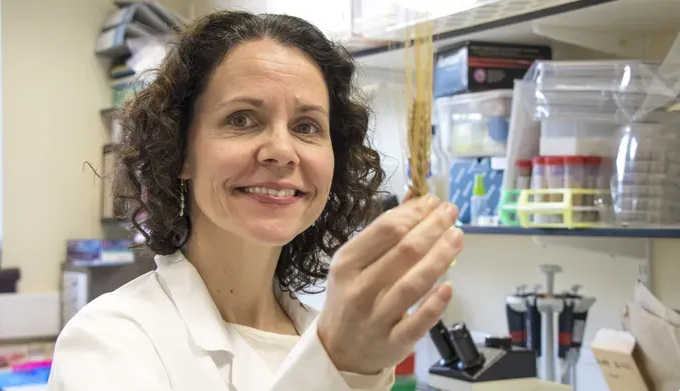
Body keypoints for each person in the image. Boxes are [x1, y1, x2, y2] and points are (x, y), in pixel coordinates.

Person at [47, 10, 463, 391]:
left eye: (307, 126)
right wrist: (335, 362)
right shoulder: (111, 340)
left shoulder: (329, 335)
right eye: (241, 119)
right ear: (181, 153)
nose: (282, 150)